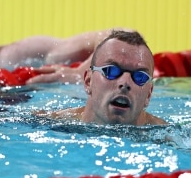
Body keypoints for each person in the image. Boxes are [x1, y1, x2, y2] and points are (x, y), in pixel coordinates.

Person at [38, 30, 167, 125]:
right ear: (88, 81)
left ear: (148, 95)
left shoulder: (167, 136)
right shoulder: (48, 123)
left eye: (140, 77)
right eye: (111, 71)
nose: (125, 83)